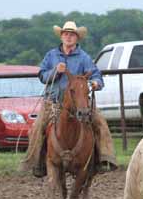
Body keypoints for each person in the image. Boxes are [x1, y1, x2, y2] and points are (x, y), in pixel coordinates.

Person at [20, 21, 117, 177]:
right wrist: (55, 71)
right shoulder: (51, 55)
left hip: (79, 104)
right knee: (37, 128)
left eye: (72, 34)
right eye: (66, 34)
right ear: (61, 36)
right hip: (54, 102)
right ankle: (37, 162)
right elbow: (42, 76)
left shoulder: (84, 57)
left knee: (100, 123)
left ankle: (104, 159)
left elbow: (97, 76)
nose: (68, 37)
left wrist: (95, 83)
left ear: (77, 38)